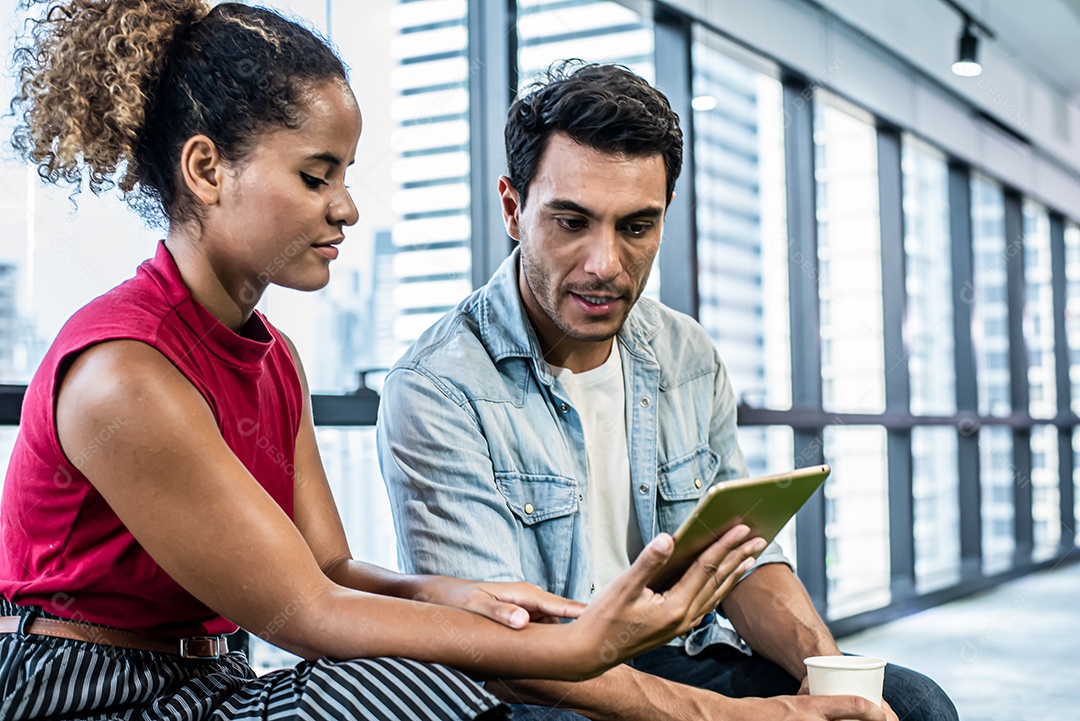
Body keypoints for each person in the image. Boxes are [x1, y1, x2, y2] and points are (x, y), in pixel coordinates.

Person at [0, 7, 769, 720]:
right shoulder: (124, 374)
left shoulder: (275, 359)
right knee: (430, 682)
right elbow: (310, 615)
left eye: (344, 175)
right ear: (207, 170)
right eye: (315, 175)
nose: (346, 207)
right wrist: (576, 644)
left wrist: (456, 593)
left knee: (438, 665)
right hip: (93, 692)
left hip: (206, 677)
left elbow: (329, 565)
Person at [377, 61, 959, 721]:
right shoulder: (437, 387)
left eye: (635, 226)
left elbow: (740, 557)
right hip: (538, 683)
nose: (604, 264)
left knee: (913, 703)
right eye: (571, 222)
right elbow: (496, 656)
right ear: (513, 208)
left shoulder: (686, 353)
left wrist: (825, 678)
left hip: (675, 653)